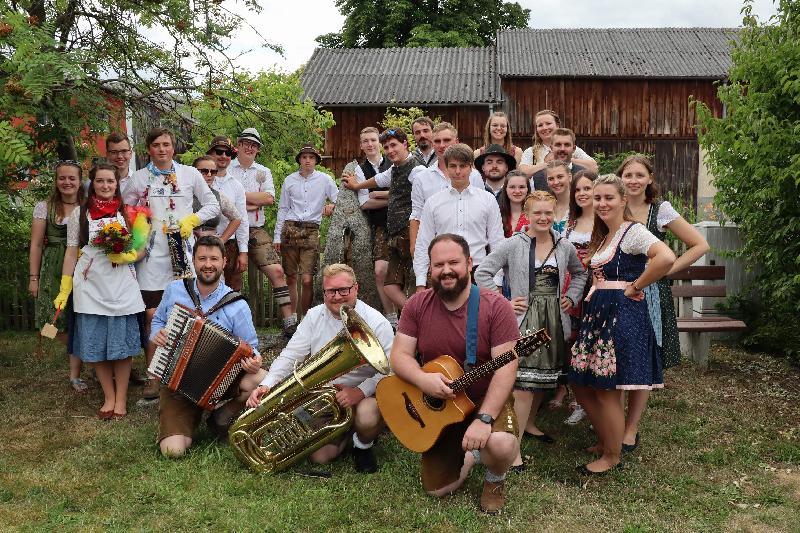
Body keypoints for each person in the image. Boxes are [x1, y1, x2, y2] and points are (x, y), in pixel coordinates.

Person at [390, 234, 520, 514]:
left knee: (499, 443)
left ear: (470, 263)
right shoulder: (417, 305)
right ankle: (471, 455)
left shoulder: (496, 307)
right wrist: (423, 379)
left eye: (453, 262)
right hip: (443, 408)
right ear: (430, 269)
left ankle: (495, 478)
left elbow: (507, 368)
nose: (446, 270)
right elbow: (399, 356)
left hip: (484, 400)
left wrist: (484, 419)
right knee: (436, 490)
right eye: (439, 265)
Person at [569, 174, 675, 474]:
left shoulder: (633, 232)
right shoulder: (605, 234)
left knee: (607, 388)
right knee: (582, 381)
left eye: (608, 198)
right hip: (598, 314)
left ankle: (611, 455)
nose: (602, 203)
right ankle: (607, 440)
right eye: (597, 198)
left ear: (623, 200)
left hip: (621, 315)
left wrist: (636, 285)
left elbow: (665, 257)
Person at [475, 191, 588, 469]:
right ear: (527, 213)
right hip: (525, 321)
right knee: (523, 386)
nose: (543, 218)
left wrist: (571, 297)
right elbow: (482, 273)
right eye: (537, 212)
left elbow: (581, 273)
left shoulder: (563, 245)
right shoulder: (513, 243)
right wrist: (503, 302)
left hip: (554, 319)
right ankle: (512, 450)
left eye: (548, 213)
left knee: (542, 381)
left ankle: (530, 423)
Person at [245, 263, 394, 473]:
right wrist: (267, 385)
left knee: (367, 416)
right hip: (324, 400)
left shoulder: (377, 322)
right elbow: (290, 356)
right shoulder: (314, 316)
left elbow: (392, 371)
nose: (337, 296)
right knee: (320, 457)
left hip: (362, 397)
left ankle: (363, 444)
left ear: (356, 288)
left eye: (344, 290)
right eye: (331, 291)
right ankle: (347, 433)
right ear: (323, 292)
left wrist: (360, 391)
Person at [618, 155, 709, 451]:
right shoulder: (612, 206)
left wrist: (666, 269)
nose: (633, 180)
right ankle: (614, 423)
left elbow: (700, 244)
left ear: (649, 178)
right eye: (628, 175)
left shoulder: (660, 210)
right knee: (618, 357)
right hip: (619, 292)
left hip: (650, 295)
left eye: (639, 175)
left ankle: (631, 429)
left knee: (642, 361)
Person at [122, 127, 220, 399]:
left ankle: (184, 370)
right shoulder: (139, 178)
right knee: (152, 315)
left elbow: (213, 205)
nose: (162, 149)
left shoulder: (190, 174)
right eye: (156, 145)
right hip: (151, 256)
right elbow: (125, 210)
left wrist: (192, 220)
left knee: (186, 310)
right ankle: (154, 375)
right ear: (149, 149)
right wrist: (140, 223)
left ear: (173, 147)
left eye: (166, 144)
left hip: (182, 251)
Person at [152, 235, 262, 456]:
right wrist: (157, 334)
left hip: (219, 383)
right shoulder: (174, 290)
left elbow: (251, 347)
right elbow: (157, 321)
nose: (208, 264)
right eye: (202, 258)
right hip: (178, 383)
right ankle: (184, 418)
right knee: (173, 451)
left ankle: (221, 416)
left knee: (260, 378)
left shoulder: (236, 304)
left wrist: (255, 360)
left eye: (214, 259)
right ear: (194, 261)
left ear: (224, 262)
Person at [56, 162, 148, 419]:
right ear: (92, 184)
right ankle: (108, 396)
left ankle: (121, 399)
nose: (105, 186)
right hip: (90, 284)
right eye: (100, 181)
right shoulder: (79, 214)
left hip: (121, 284)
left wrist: (129, 256)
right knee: (96, 343)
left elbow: (142, 248)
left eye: (110, 181)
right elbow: (72, 250)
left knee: (121, 346)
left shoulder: (129, 213)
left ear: (117, 184)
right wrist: (65, 286)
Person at [228, 128, 295, 336]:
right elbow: (223, 198)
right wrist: (250, 201)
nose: (250, 147)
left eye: (254, 145)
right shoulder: (227, 168)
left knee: (277, 271)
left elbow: (268, 199)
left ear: (258, 150)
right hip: (232, 228)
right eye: (246, 143)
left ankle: (289, 323)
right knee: (234, 278)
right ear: (238, 145)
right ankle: (232, 327)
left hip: (256, 229)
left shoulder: (263, 171)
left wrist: (239, 197)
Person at [341, 128, 418, 309]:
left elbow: (415, 196)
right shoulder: (391, 168)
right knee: (386, 279)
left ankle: (413, 319)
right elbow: (372, 190)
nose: (390, 150)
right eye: (387, 146)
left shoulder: (416, 169)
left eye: (393, 145)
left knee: (414, 277)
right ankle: (402, 318)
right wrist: (357, 185)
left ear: (405, 144)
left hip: (410, 228)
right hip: (387, 229)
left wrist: (381, 195)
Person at [413, 144, 504, 291]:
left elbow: (497, 242)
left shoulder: (488, 200)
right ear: (446, 167)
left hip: (479, 273)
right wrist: (420, 283)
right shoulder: (433, 202)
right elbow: (423, 243)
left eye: (462, 166)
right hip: (444, 274)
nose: (457, 171)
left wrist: (498, 280)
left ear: (471, 167)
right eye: (453, 166)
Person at [29, 160, 85, 391]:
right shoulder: (45, 207)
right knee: (49, 320)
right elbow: (35, 245)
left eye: (72, 178)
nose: (67, 182)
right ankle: (77, 351)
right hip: (52, 267)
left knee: (79, 319)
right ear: (56, 181)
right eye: (62, 178)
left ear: (80, 181)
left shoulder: (87, 206)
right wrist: (34, 277)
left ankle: (75, 373)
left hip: (81, 267)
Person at [274, 144, 338, 317]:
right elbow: (283, 208)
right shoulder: (289, 180)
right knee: (291, 277)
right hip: (290, 228)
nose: (307, 160)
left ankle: (306, 318)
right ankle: (291, 318)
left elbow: (339, 199)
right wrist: (277, 237)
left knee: (307, 279)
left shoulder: (325, 179)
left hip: (311, 230)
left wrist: (332, 205)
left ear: (316, 160)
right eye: (304, 157)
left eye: (311, 157)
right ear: (299, 160)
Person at [558, 169, 598, 425]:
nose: (582, 193)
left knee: (593, 342)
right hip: (573, 287)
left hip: (596, 286)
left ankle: (595, 399)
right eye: (578, 190)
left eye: (587, 188)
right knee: (572, 343)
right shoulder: (570, 223)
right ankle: (579, 400)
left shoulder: (605, 220)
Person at [408, 123, 485, 255]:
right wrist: (414, 248)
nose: (442, 145)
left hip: (471, 251)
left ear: (457, 141)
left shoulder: (474, 175)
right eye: (437, 141)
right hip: (435, 251)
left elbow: (482, 211)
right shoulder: (422, 178)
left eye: (447, 140)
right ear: (432, 144)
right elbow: (416, 215)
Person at [346, 127, 396, 327]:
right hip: (379, 226)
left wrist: (379, 195)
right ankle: (392, 318)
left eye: (373, 140)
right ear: (361, 145)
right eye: (365, 141)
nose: (370, 144)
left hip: (402, 223)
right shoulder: (359, 170)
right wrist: (393, 198)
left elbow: (408, 195)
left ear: (380, 143)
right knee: (380, 271)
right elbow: (365, 203)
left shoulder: (394, 162)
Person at [207, 136, 249, 293]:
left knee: (232, 291)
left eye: (228, 153)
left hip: (230, 245)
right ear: (211, 153)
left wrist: (243, 252)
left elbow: (242, 219)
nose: (223, 156)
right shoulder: (198, 180)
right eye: (219, 152)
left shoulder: (236, 186)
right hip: (201, 243)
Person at [519, 110, 597, 175]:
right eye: (540, 125)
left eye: (548, 123)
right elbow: (523, 173)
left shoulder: (572, 149)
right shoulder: (531, 152)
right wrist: (549, 163)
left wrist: (567, 160)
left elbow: (593, 168)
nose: (545, 128)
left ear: (557, 125)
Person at [191, 156, 241, 243]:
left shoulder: (219, 196)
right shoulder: (183, 194)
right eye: (204, 171)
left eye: (213, 172)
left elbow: (237, 218)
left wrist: (222, 240)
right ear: (193, 172)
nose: (209, 175)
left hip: (211, 246)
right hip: (186, 246)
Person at [498, 170, 531, 238]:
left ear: (528, 189)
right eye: (512, 187)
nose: (517, 191)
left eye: (521, 187)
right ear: (505, 189)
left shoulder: (534, 215)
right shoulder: (497, 214)